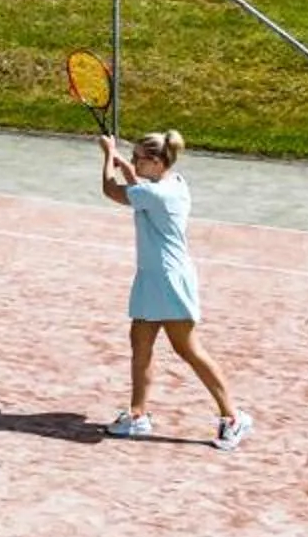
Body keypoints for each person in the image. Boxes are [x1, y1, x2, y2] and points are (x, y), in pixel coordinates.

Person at [97, 129, 251, 450]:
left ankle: (233, 417)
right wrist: (126, 163)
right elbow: (138, 185)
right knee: (140, 344)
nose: (135, 163)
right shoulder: (171, 183)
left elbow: (111, 190)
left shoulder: (158, 194)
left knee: (188, 349)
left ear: (155, 162)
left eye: (139, 158)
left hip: (168, 280)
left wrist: (108, 155)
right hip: (152, 278)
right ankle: (138, 415)